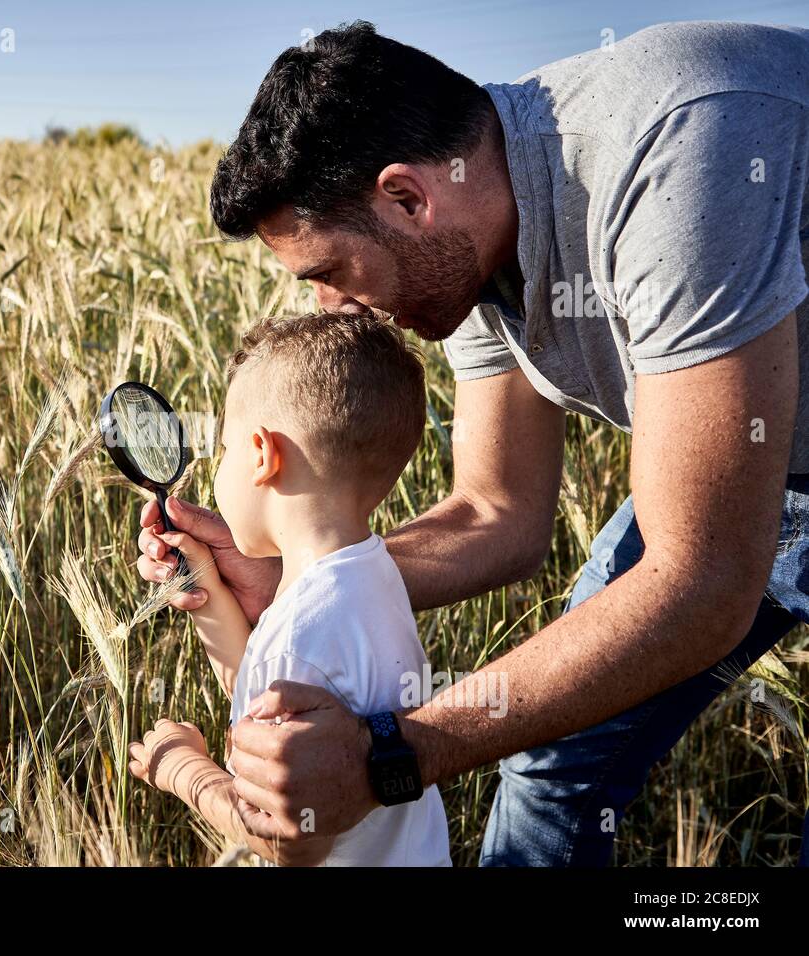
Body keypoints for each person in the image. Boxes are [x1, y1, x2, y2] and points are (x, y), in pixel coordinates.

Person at [135, 20, 809, 865]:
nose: (334, 314)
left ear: (408, 198)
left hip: (719, 515)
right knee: (551, 764)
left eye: (330, 275)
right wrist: (295, 574)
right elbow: (500, 512)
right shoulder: (466, 239)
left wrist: (391, 755)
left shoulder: (679, 147)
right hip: (739, 475)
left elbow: (705, 577)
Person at [127, 312, 451, 865]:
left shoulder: (303, 630)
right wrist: (205, 577)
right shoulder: (371, 578)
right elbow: (259, 679)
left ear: (261, 454)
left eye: (226, 450)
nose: (220, 467)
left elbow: (290, 840)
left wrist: (186, 772)